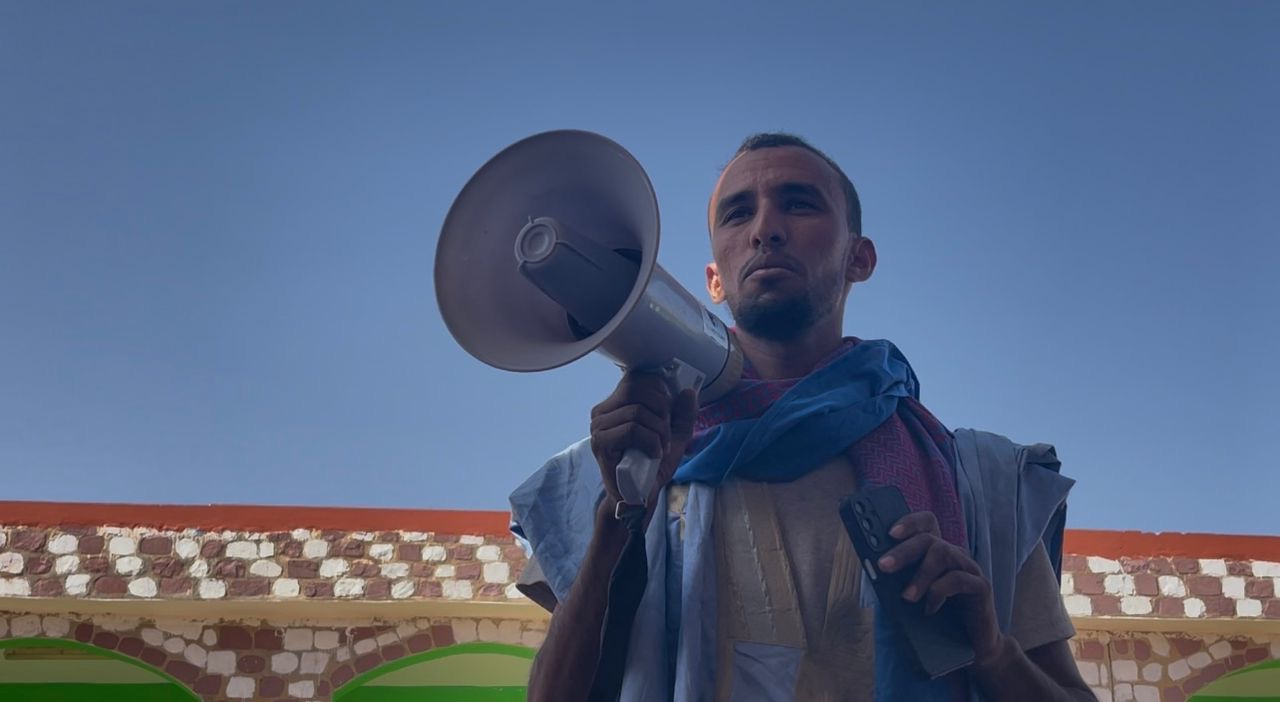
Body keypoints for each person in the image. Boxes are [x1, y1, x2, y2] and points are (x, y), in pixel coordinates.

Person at [508, 133, 1094, 701]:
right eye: (738, 213)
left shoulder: (979, 481)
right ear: (714, 280)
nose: (765, 228)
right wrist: (618, 516)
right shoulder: (617, 463)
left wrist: (992, 651)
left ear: (859, 257)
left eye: (799, 203)